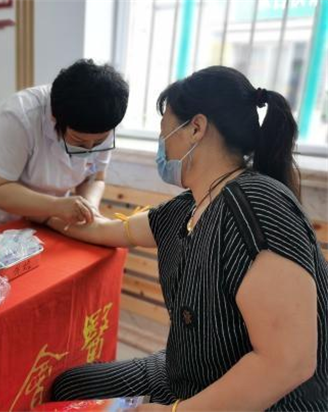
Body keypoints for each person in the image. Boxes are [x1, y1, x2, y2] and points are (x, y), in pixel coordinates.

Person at [45, 66, 327, 411]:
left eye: (165, 132)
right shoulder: (188, 207)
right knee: (69, 387)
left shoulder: (261, 206)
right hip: (187, 370)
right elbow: (107, 230)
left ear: (196, 128)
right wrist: (44, 212)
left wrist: (174, 411)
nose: (162, 147)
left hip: (263, 400)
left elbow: (289, 363)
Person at [0, 59, 129, 227]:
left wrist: (89, 207)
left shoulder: (105, 117)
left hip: (46, 219)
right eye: (80, 142)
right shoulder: (19, 116)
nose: (90, 150)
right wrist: (56, 206)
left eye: (99, 142)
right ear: (55, 118)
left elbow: (94, 178)